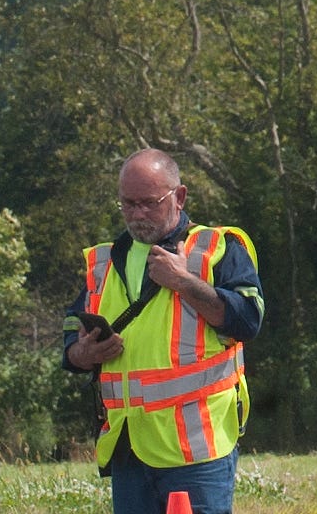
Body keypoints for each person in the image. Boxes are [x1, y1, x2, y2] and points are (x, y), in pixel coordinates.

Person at [65, 150, 265, 514]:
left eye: (149, 203)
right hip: (129, 448)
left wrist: (184, 282)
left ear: (180, 196)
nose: (138, 214)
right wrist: (81, 353)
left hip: (196, 448)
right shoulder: (103, 261)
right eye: (128, 203)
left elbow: (248, 321)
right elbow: (71, 328)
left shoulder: (218, 248)